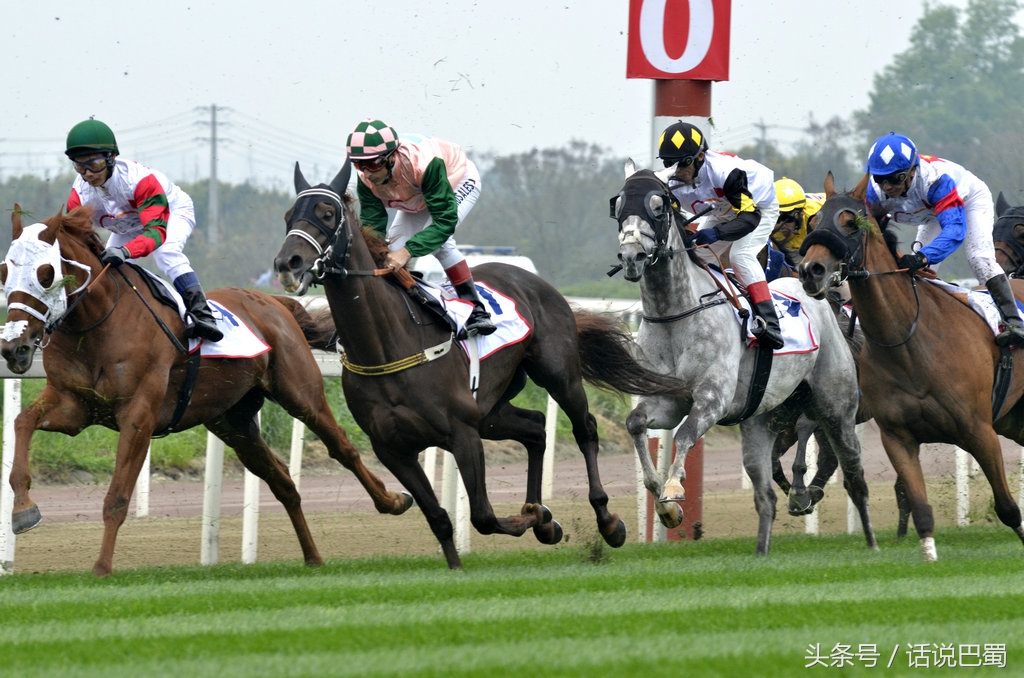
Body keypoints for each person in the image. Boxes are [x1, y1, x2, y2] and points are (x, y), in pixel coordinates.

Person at [64, 118, 223, 342]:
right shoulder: (80, 195)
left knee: (165, 253)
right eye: (80, 166)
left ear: (111, 159)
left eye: (95, 164)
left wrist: (126, 251)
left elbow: (156, 232)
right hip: (128, 222)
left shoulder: (138, 181)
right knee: (107, 269)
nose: (88, 173)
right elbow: (77, 241)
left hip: (169, 213)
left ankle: (202, 313)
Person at [865, 131, 1024, 347]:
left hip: (967, 201)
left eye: (895, 178)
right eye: (880, 179)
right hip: (929, 211)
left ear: (912, 171)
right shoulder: (873, 193)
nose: (887, 187)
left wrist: (922, 257)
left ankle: (1014, 322)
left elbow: (955, 230)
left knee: (980, 259)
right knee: (921, 274)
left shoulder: (936, 181)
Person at [346, 118, 496, 337]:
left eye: (373, 164)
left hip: (456, 179)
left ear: (391, 157)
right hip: (417, 192)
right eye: (359, 164)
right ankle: (407, 305)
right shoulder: (366, 179)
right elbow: (373, 226)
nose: (367, 172)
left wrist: (408, 252)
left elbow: (444, 223)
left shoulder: (425, 163)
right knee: (392, 246)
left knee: (440, 243)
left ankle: (476, 310)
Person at [657, 120, 784, 349]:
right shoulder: (669, 181)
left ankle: (770, 322)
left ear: (700, 158)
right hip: (721, 208)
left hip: (758, 208)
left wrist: (716, 233)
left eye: (683, 163)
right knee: (696, 258)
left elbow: (749, 218)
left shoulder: (726, 173)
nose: (678, 171)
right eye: (669, 163)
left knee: (740, 255)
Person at [771, 177, 825, 269]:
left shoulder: (817, 214)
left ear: (801, 213)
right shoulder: (766, 222)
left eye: (787, 219)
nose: (782, 226)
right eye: (777, 219)